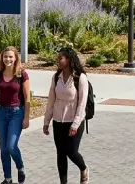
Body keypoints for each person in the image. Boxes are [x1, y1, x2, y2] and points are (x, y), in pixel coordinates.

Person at [44, 48, 89, 184]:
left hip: (74, 120)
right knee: (61, 153)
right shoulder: (56, 76)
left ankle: (83, 168)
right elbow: (51, 100)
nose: (58, 61)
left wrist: (75, 124)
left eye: (60, 58)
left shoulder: (80, 78)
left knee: (71, 151)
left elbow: (82, 103)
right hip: (58, 121)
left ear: (68, 60)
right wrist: (47, 121)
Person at [0, 46, 30, 184]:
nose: (8, 59)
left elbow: (27, 97)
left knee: (11, 146)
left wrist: (26, 117)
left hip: (16, 113)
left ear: (16, 57)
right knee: (3, 148)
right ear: (2, 58)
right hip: (1, 113)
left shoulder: (22, 74)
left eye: (11, 57)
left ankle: (20, 166)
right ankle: (8, 178)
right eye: (5, 57)